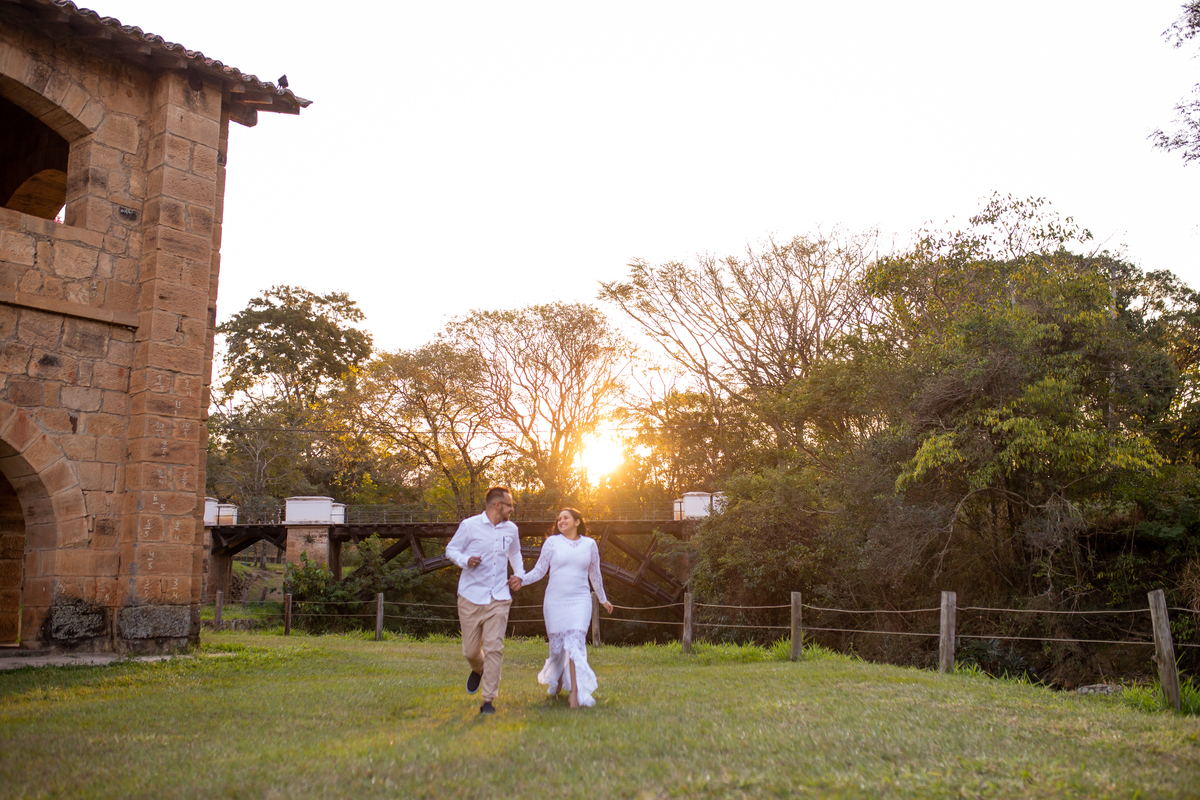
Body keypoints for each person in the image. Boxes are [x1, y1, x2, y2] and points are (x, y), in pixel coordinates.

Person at [511, 507, 613, 708]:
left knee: (575, 642)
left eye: (566, 518)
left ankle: (576, 692)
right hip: (555, 600)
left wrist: (603, 599)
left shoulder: (589, 544)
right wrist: (522, 579)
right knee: (557, 648)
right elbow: (540, 571)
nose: (561, 521)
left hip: (580, 600)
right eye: (559, 519)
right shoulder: (552, 543)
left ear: (577, 521)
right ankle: (556, 679)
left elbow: (595, 574)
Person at [445, 486, 525, 716]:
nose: (512, 509)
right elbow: (451, 549)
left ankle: (488, 700)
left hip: (499, 597)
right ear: (497, 505)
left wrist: (518, 574)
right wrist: (465, 559)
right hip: (470, 596)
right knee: (471, 651)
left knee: (494, 649)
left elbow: (515, 555)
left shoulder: (512, 529)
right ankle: (477, 669)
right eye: (509, 505)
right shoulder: (470, 526)